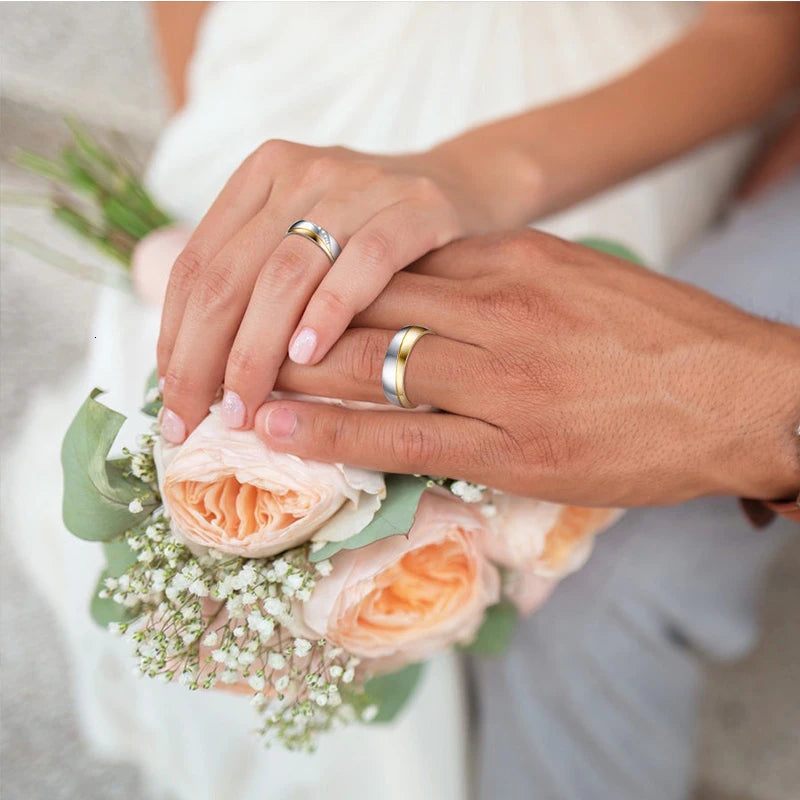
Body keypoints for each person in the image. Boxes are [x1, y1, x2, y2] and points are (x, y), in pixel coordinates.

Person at [4, 4, 797, 799]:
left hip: (596, 102)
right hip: (290, 67)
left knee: (502, 414)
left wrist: (485, 173)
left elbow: (766, 28)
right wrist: (222, 119)